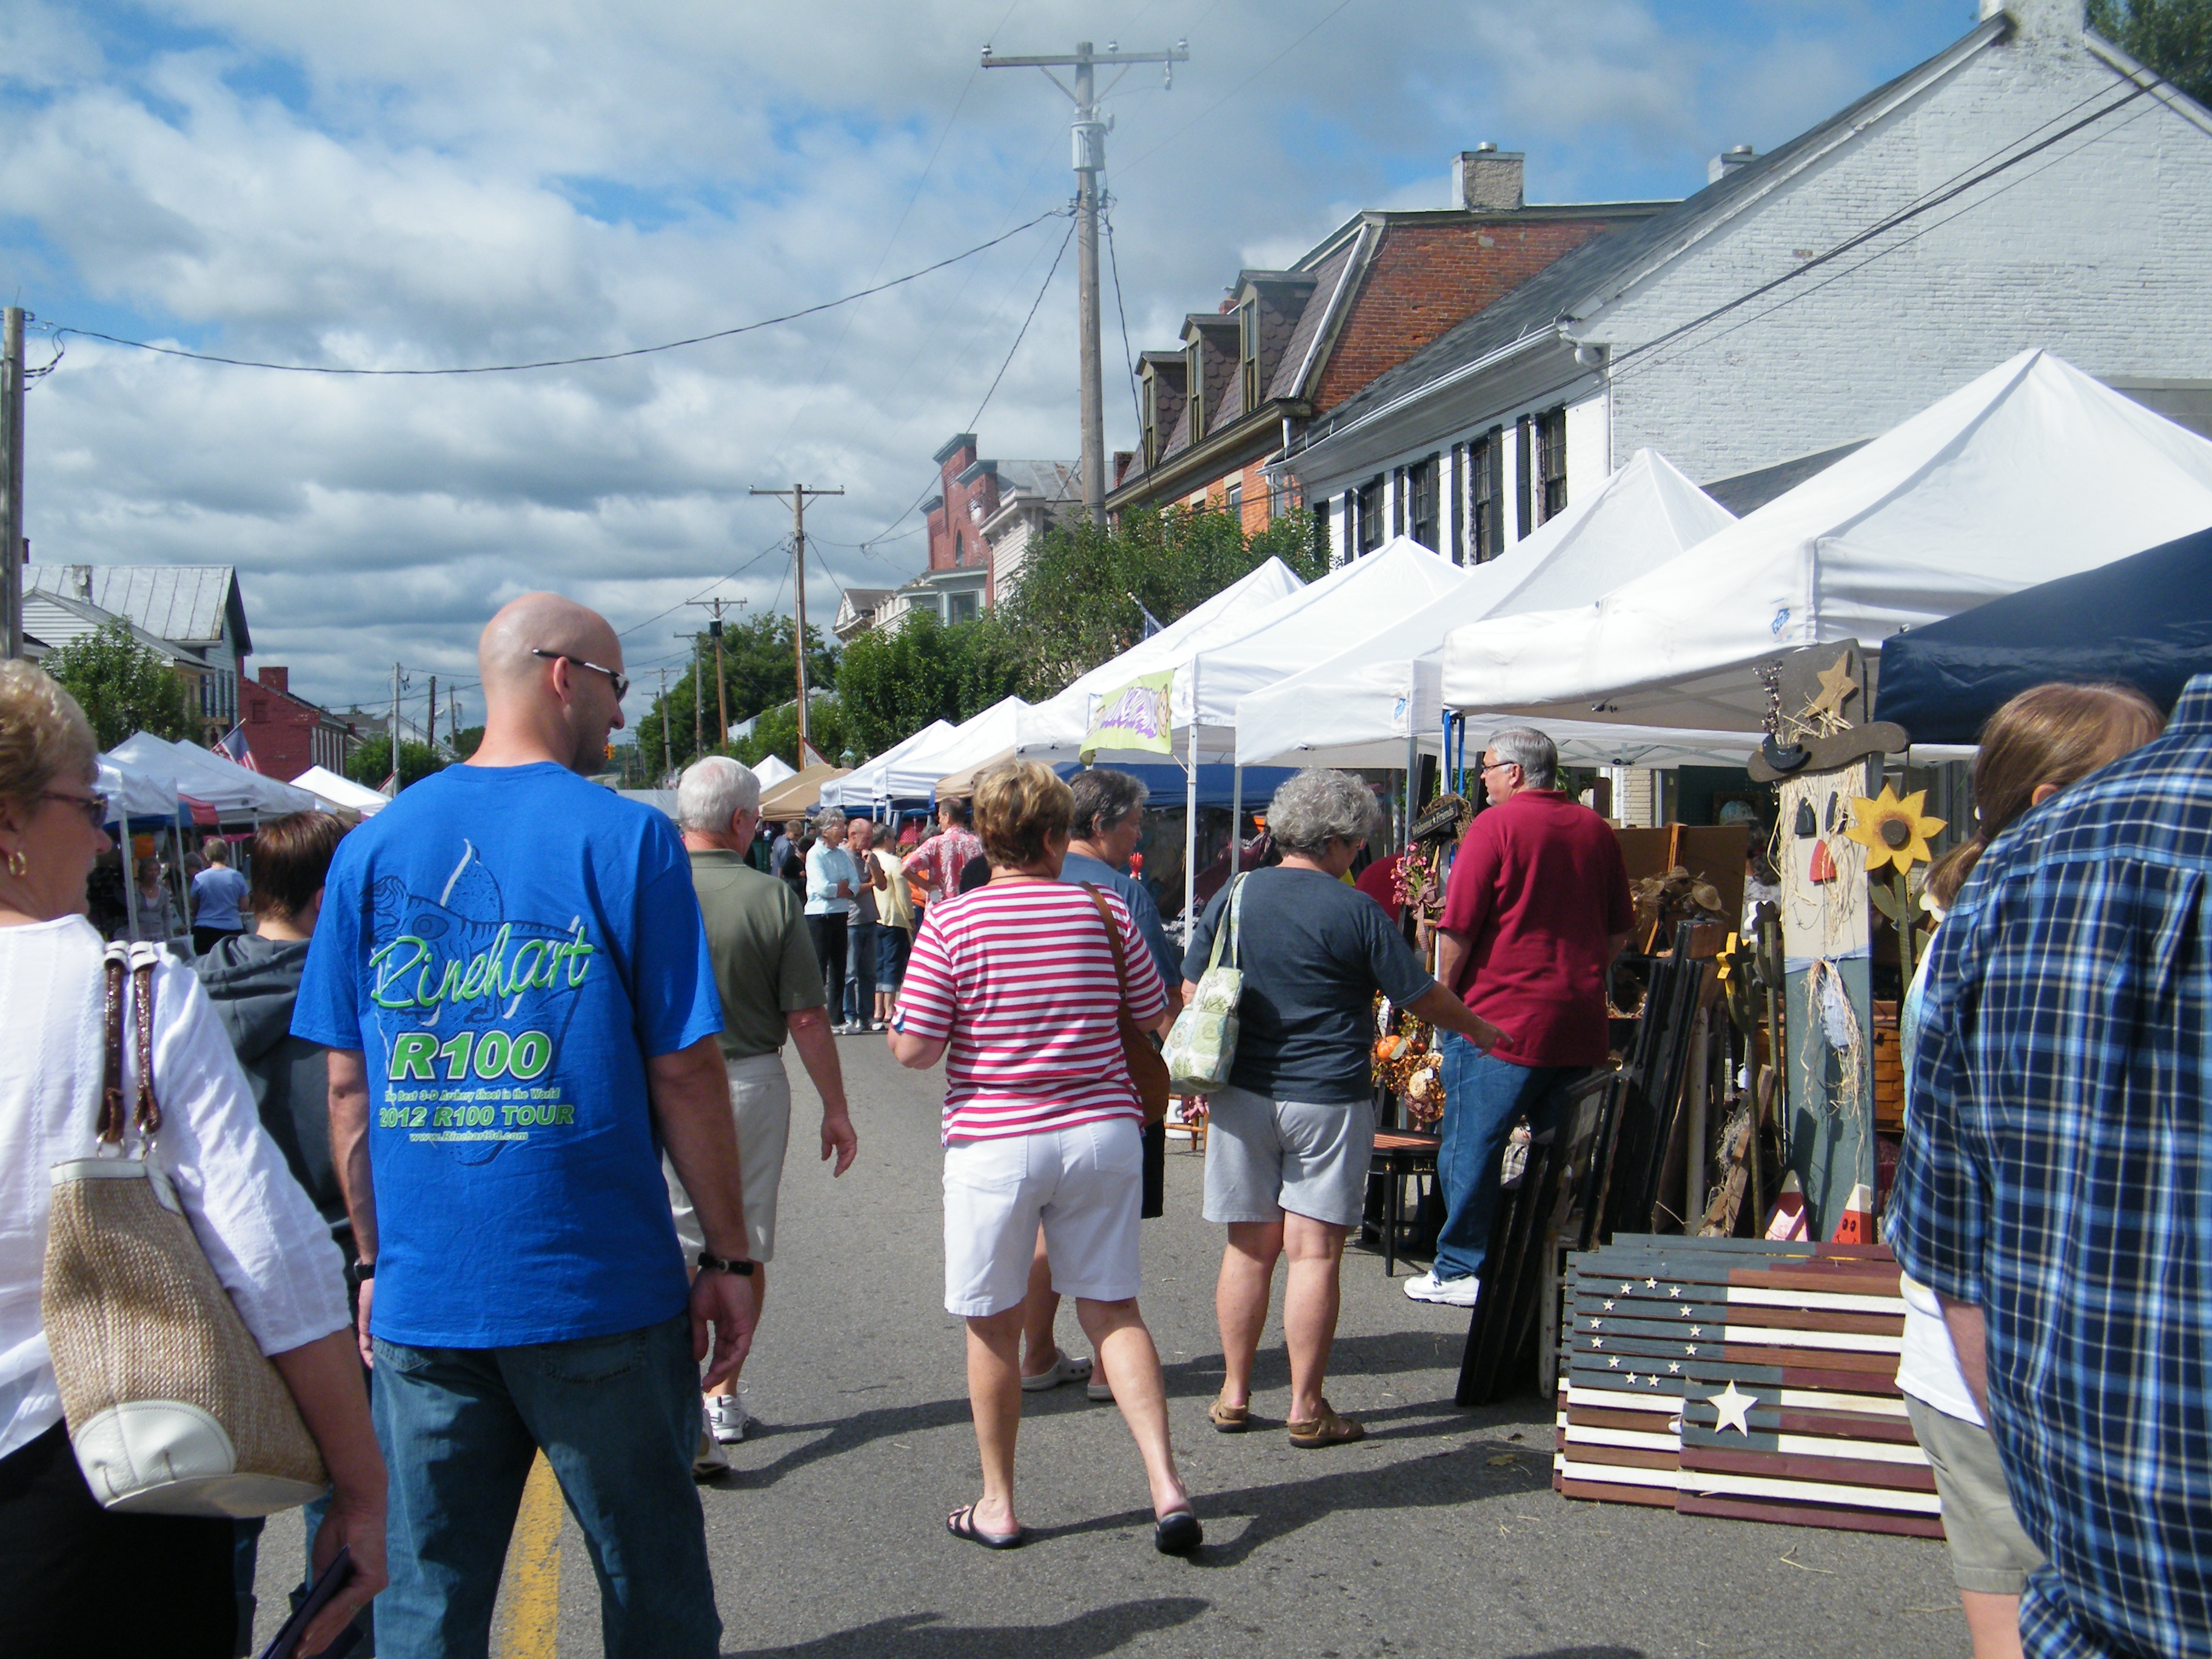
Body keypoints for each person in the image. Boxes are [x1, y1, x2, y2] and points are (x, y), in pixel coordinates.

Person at [292, 593, 757, 1658]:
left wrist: (372, 1261)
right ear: (563, 676)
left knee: (426, 1600)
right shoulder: (628, 839)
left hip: (428, 1300)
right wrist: (728, 1251)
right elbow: (683, 1072)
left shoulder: (371, 849)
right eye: (617, 687)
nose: (623, 716)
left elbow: (347, 1091)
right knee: (652, 1584)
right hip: (594, 1290)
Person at [0, 661, 385, 1659]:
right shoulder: (122, 994)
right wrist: (360, 1483)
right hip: (89, 1472)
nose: (99, 836)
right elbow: (270, 1252)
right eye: (86, 804)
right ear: (9, 823)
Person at [1889, 680, 2182, 1659]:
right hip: (2013, 1368)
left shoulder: (1994, 912)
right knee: (2010, 1598)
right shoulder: (1991, 923)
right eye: (2130, 767)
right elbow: (1942, 1210)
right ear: (2051, 796)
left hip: (2046, 1364)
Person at [891, 760, 1200, 1555]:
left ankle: (999, 1503)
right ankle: (1166, 1488)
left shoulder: (952, 924)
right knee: (1112, 1307)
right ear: (1059, 835)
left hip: (995, 1140)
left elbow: (916, 1051)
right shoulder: (1104, 913)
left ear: (985, 837)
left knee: (992, 1324)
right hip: (1101, 1132)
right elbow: (1151, 1014)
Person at [1184, 769, 1506, 1446]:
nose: (1360, 851)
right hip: (1328, 1092)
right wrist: (1479, 1028)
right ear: (1334, 841)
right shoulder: (1355, 908)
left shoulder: (1237, 891)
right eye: (1357, 840)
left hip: (1242, 1091)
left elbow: (1192, 987)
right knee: (1313, 1255)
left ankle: (1235, 1393)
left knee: (1247, 1249)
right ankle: (1305, 1407)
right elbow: (1418, 993)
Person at [194, 811, 367, 1649]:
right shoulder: (346, 1001)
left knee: (223, 1522)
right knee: (348, 1513)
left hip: (211, 1299)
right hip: (332, 1283)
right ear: (329, 895)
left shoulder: (186, 997)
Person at [668, 757, 860, 1460]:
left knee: (675, 1247)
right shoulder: (769, 897)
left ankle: (677, 1398)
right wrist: (835, 1107)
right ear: (744, 821)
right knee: (738, 1244)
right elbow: (807, 1017)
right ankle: (721, 1392)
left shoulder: (644, 892)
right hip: (745, 1081)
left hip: (656, 1082)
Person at [1406, 728, 1631, 1309]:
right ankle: (1551, 1263)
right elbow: (1619, 929)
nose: (1480, 779)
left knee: (1472, 1144)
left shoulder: (1495, 827)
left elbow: (1458, 928)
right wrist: (1579, 973)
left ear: (1516, 772)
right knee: (1565, 1151)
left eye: (1486, 768)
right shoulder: (1596, 831)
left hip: (1497, 1019)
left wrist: (1443, 1000)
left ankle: (1461, 1266)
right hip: (1577, 1019)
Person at [1018, 768, 1178, 1405]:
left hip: (1019, 1094)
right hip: (1109, 1089)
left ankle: (1035, 1352)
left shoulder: (1020, 881)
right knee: (1106, 1230)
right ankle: (1112, 1365)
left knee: (1037, 1228)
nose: (1139, 835)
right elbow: (1156, 999)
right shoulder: (1121, 896)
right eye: (1135, 824)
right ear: (1100, 825)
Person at [804, 809, 861, 1036]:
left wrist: (842, 888)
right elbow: (822, 888)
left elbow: (855, 884)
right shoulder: (815, 854)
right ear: (826, 830)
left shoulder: (840, 854)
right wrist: (842, 887)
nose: (843, 830)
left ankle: (836, 1018)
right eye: (839, 826)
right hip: (819, 916)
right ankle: (813, 1018)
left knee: (839, 968)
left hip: (839, 914)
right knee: (819, 968)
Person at [870, 820, 916, 1028]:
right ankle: (889, 1008)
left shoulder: (869, 858)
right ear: (887, 840)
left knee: (877, 963)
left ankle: (877, 1007)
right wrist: (911, 918)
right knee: (892, 964)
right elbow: (903, 893)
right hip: (893, 917)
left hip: (872, 917)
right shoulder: (893, 862)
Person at [902, 796, 982, 914]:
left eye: (940, 817)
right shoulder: (978, 844)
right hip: (972, 907)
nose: (939, 821)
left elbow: (905, 869)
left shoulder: (934, 843)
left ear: (947, 817)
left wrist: (928, 887)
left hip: (942, 908)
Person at [843, 817, 881, 1033]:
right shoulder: (843, 856)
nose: (868, 843)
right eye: (865, 838)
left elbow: (882, 885)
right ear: (853, 836)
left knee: (869, 971)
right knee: (850, 971)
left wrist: (872, 866)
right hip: (851, 920)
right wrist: (872, 884)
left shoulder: (870, 856)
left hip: (870, 918)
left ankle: (866, 1015)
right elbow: (851, 888)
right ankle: (849, 1016)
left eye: (870, 838)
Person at [192, 836, 251, 956]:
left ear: (207, 855)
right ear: (226, 853)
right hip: (232, 928)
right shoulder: (236, 876)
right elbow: (244, 905)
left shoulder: (200, 878)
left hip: (205, 929)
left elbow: (193, 906)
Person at [129, 851, 185, 943]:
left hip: (159, 936)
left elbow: (166, 916)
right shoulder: (136, 891)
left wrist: (169, 938)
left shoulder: (163, 893)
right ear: (143, 872)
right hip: (140, 937)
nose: (153, 873)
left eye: (156, 870)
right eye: (150, 870)